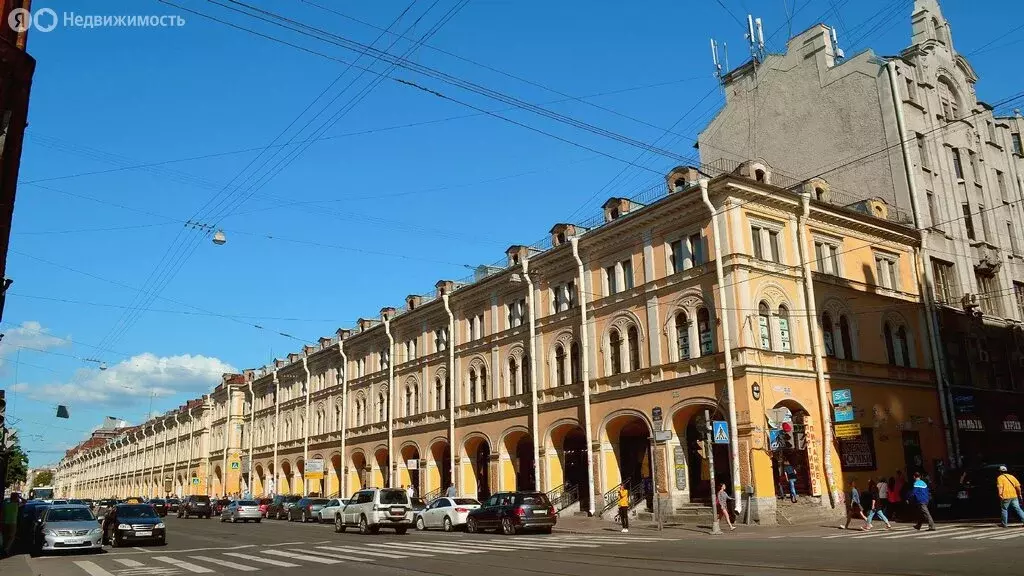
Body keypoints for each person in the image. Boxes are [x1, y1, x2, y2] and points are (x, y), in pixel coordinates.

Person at [1, 493, 19, 557]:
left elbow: (2, 513)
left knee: (5, 536)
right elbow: (25, 501)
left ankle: (4, 548)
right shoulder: (16, 504)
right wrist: (20, 497)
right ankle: (6, 549)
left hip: (5, 522)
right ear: (16, 498)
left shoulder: (5, 504)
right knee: (11, 536)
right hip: (13, 523)